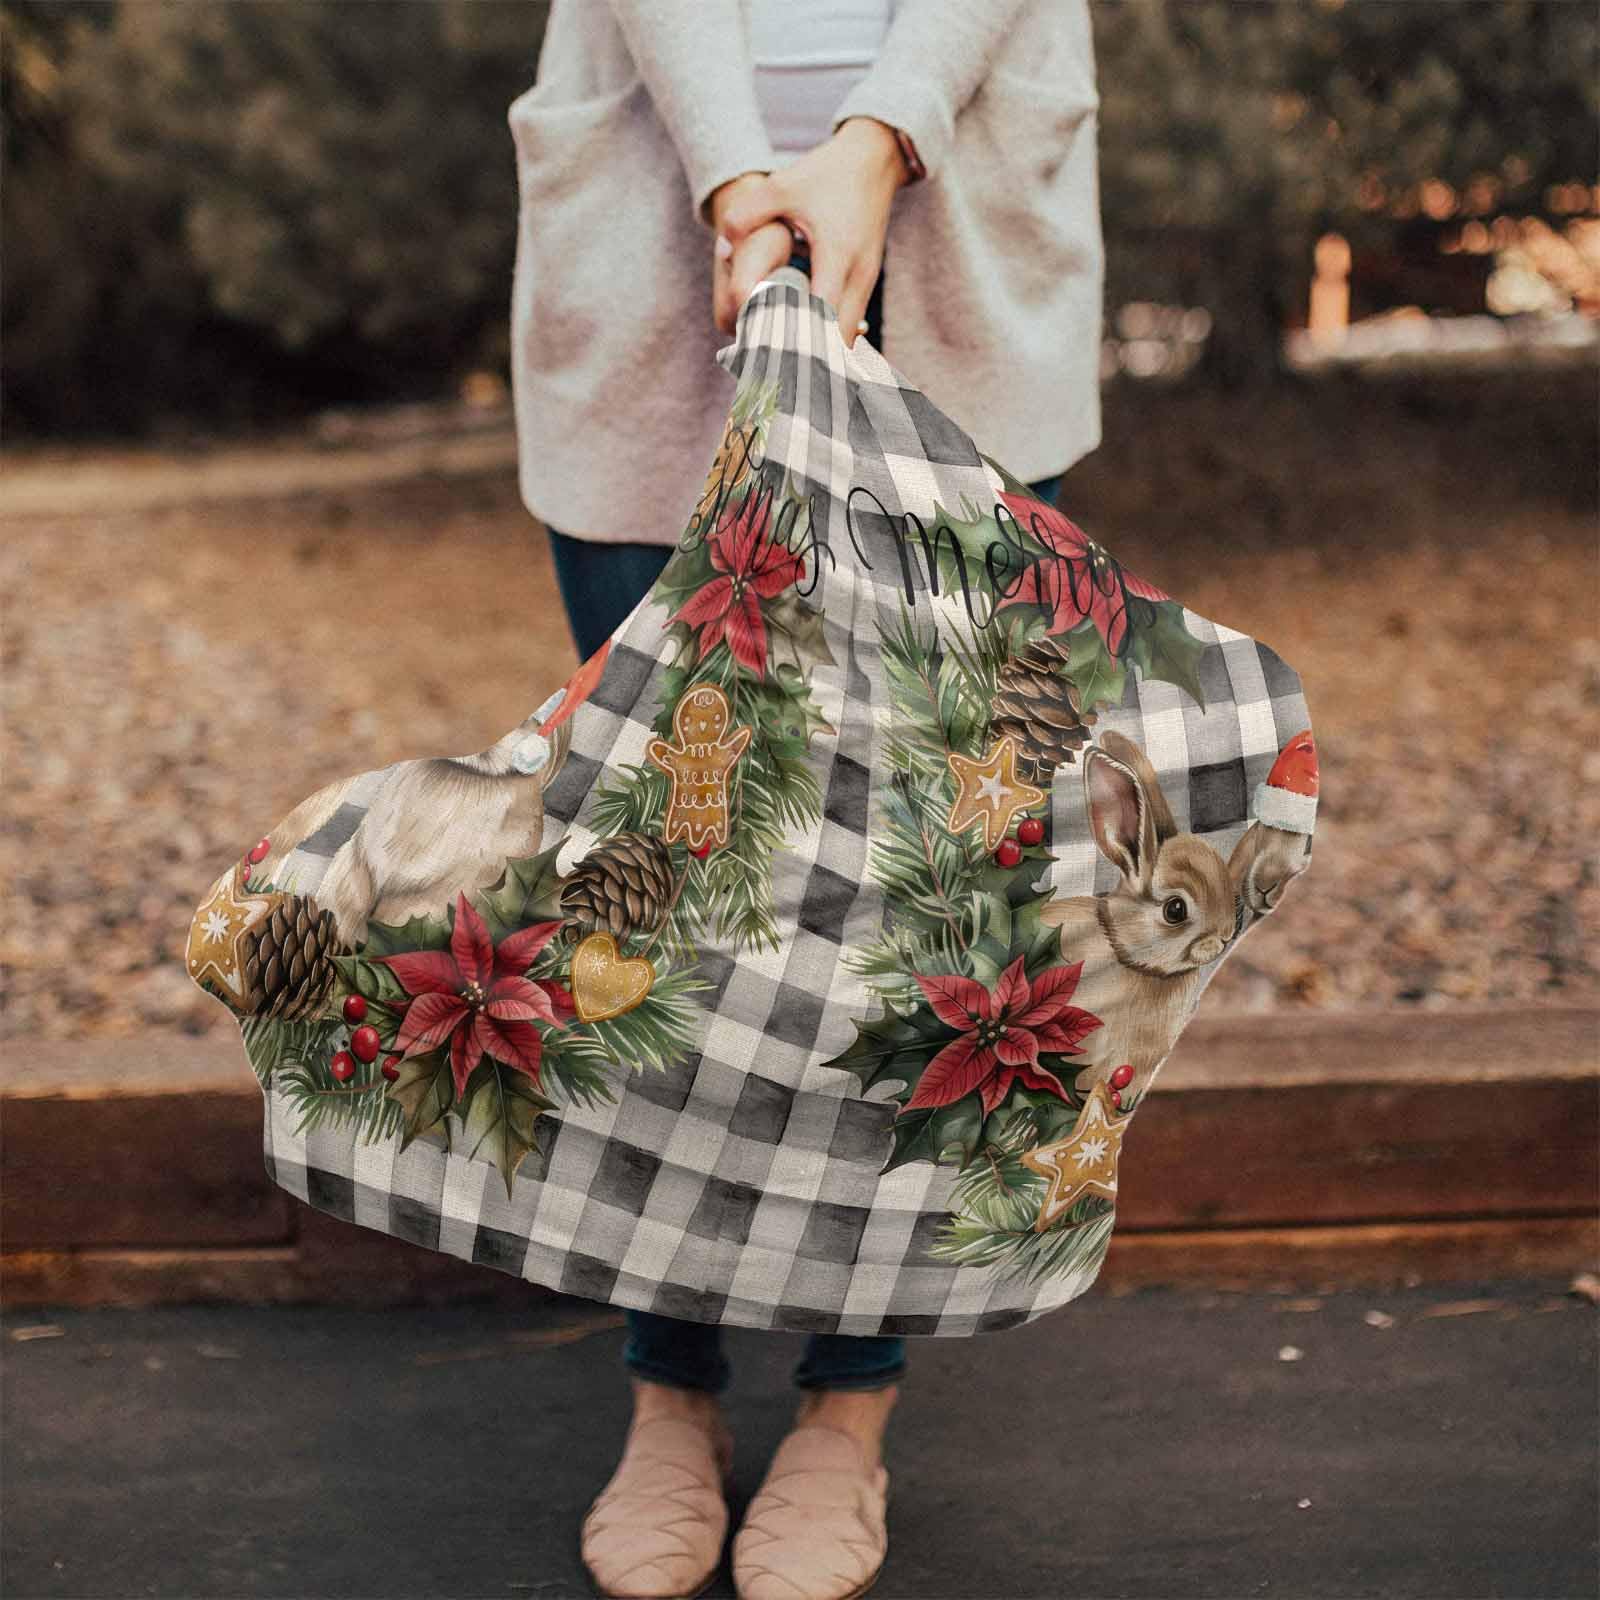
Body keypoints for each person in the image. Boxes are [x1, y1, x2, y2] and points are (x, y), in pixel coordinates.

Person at [508, 4, 1103, 1595]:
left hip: (958, 224)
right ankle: (670, 1387)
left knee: (923, 889)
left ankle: (849, 1407)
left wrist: (877, 137)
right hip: (658, 225)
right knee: (663, 871)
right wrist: (735, 177)